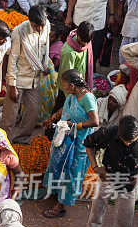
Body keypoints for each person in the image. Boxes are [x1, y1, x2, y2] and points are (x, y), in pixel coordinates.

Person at [42, 69, 99, 218]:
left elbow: (95, 121)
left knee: (71, 172)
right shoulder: (73, 95)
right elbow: (65, 108)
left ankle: (61, 205)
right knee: (59, 164)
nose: (63, 87)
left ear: (72, 86)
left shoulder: (87, 98)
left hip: (79, 143)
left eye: (64, 84)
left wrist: (76, 125)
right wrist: (52, 118)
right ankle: (57, 193)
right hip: (65, 137)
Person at [2, 6, 50, 144]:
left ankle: (21, 141)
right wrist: (12, 86)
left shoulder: (46, 27)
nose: (40, 29)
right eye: (36, 26)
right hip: (19, 79)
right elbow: (13, 59)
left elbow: (44, 51)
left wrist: (44, 66)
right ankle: (2, 142)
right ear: (29, 21)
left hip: (35, 79)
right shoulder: (19, 31)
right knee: (10, 116)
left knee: (33, 113)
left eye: (41, 26)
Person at [65, 0, 119, 70]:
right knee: (77, 48)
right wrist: (69, 15)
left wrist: (112, 15)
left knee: (94, 50)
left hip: (98, 22)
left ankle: (90, 71)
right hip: (80, 19)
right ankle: (75, 71)